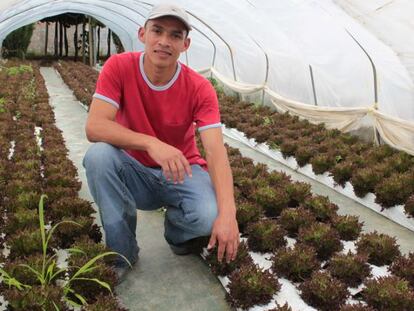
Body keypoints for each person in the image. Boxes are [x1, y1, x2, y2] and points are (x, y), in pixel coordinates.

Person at [83, 3, 239, 281]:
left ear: (185, 44)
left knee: (207, 216)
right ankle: (122, 253)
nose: (164, 41)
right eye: (157, 31)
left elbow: (215, 152)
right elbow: (94, 126)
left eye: (175, 35)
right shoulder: (118, 67)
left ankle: (177, 234)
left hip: (181, 172)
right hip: (133, 170)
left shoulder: (200, 88)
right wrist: (151, 143)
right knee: (98, 157)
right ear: (143, 34)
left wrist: (229, 215)